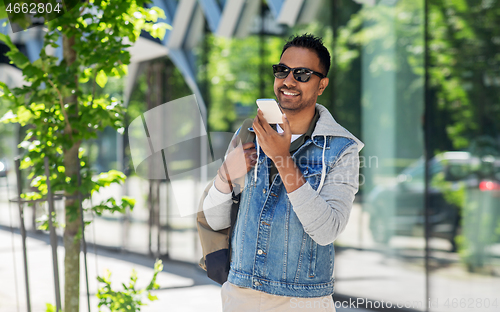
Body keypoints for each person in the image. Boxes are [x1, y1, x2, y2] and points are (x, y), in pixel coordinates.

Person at [203, 33, 364, 312]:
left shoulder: (342, 149)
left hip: (302, 301)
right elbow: (215, 220)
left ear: (321, 85)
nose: (289, 81)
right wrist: (224, 177)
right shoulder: (249, 134)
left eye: (302, 74)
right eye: (282, 71)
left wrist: (281, 157)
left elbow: (327, 231)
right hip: (241, 295)